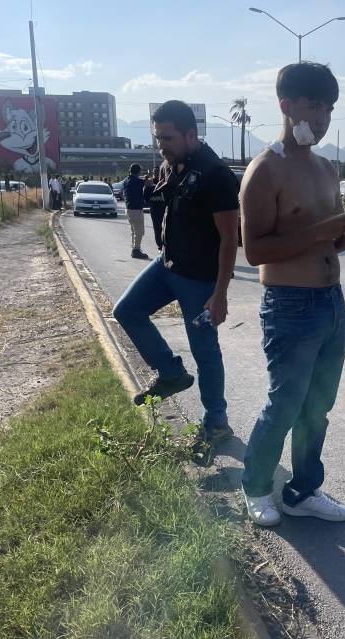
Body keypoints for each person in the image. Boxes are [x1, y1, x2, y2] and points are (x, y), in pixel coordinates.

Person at [238, 62, 345, 527]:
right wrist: (322, 232)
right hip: (289, 305)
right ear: (286, 106)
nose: (324, 116)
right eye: (314, 105)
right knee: (285, 404)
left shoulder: (327, 168)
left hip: (332, 303)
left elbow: (331, 244)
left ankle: (302, 490)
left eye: (330, 107)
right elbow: (254, 251)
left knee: (318, 407)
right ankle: (255, 487)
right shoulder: (265, 170)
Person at [112, 100, 239, 443]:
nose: (161, 145)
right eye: (157, 138)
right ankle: (170, 373)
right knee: (126, 310)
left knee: (205, 351)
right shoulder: (173, 166)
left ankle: (216, 423)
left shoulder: (216, 175)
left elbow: (230, 238)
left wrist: (221, 293)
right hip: (167, 264)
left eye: (167, 137)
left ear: (190, 134)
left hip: (199, 280)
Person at [121, 164, 149, 259]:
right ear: (138, 172)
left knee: (134, 231)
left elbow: (139, 180)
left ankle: (134, 248)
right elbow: (147, 183)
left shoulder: (126, 180)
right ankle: (136, 250)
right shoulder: (136, 181)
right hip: (135, 210)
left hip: (129, 209)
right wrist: (147, 178)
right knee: (140, 232)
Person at [144, 167, 166, 251]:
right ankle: (160, 246)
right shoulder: (149, 183)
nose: (156, 174)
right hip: (155, 209)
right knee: (157, 228)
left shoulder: (165, 181)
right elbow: (146, 199)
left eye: (158, 172)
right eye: (155, 172)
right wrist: (159, 199)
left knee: (167, 228)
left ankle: (167, 245)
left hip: (165, 209)